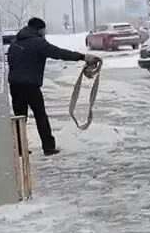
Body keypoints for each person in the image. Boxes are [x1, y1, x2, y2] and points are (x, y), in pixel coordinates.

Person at [6, 17, 97, 155]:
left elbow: (11, 61)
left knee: (20, 118)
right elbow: (59, 53)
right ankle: (48, 147)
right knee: (40, 116)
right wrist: (82, 57)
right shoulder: (38, 43)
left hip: (15, 85)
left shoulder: (15, 42)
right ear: (40, 29)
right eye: (44, 30)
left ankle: (20, 149)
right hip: (31, 86)